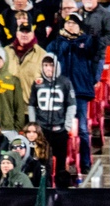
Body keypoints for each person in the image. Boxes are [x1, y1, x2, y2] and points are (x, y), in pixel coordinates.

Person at [46, 12, 97, 172]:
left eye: (74, 23)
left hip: (80, 92)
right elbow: (48, 56)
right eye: (68, 23)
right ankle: (60, 164)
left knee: (82, 128)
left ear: (80, 26)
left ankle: (86, 164)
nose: (71, 26)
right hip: (61, 92)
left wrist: (90, 37)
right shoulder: (56, 42)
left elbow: (94, 50)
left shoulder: (86, 41)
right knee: (59, 130)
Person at [29, 53, 76, 188]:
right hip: (42, 130)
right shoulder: (37, 83)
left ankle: (61, 191)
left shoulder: (65, 82)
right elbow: (32, 104)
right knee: (43, 163)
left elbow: (71, 104)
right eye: (46, 65)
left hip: (59, 129)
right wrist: (34, 126)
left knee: (60, 163)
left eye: (51, 65)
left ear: (57, 66)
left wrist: (67, 126)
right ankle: (44, 188)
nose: (48, 68)